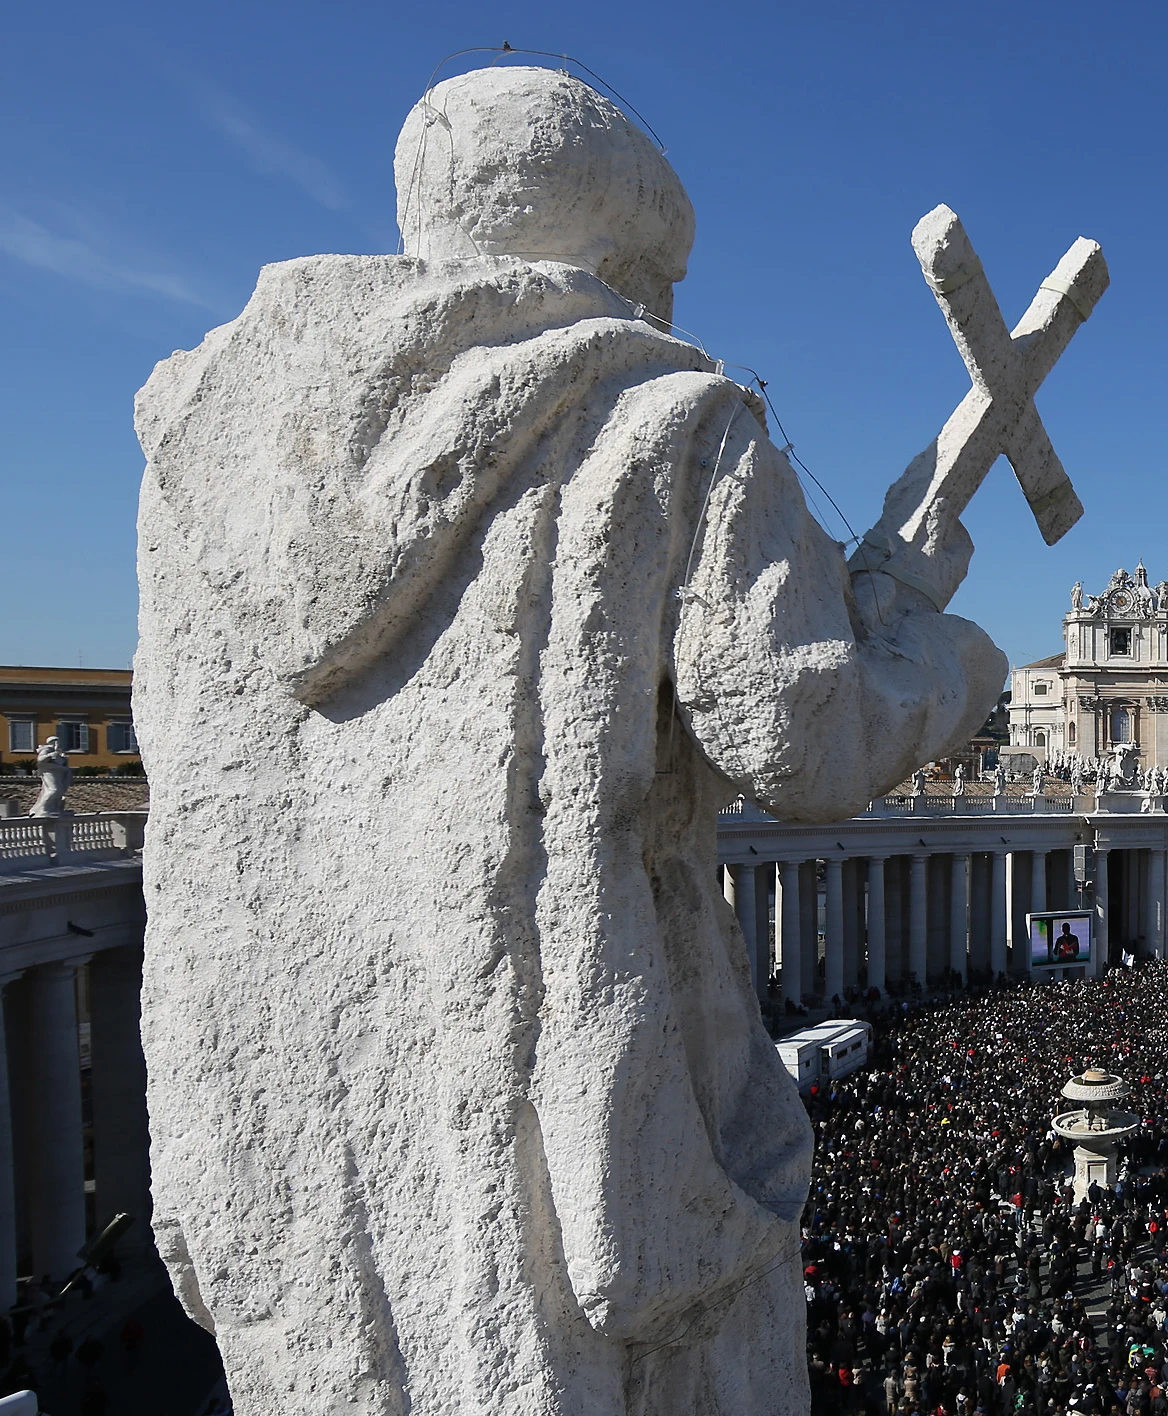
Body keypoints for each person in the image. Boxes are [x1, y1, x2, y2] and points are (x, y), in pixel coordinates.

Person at [133, 65, 1004, 1413]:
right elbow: (804, 740)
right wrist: (933, 648)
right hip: (562, 1149)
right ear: (626, 257)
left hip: (292, 1156)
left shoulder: (200, 470)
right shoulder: (667, 417)